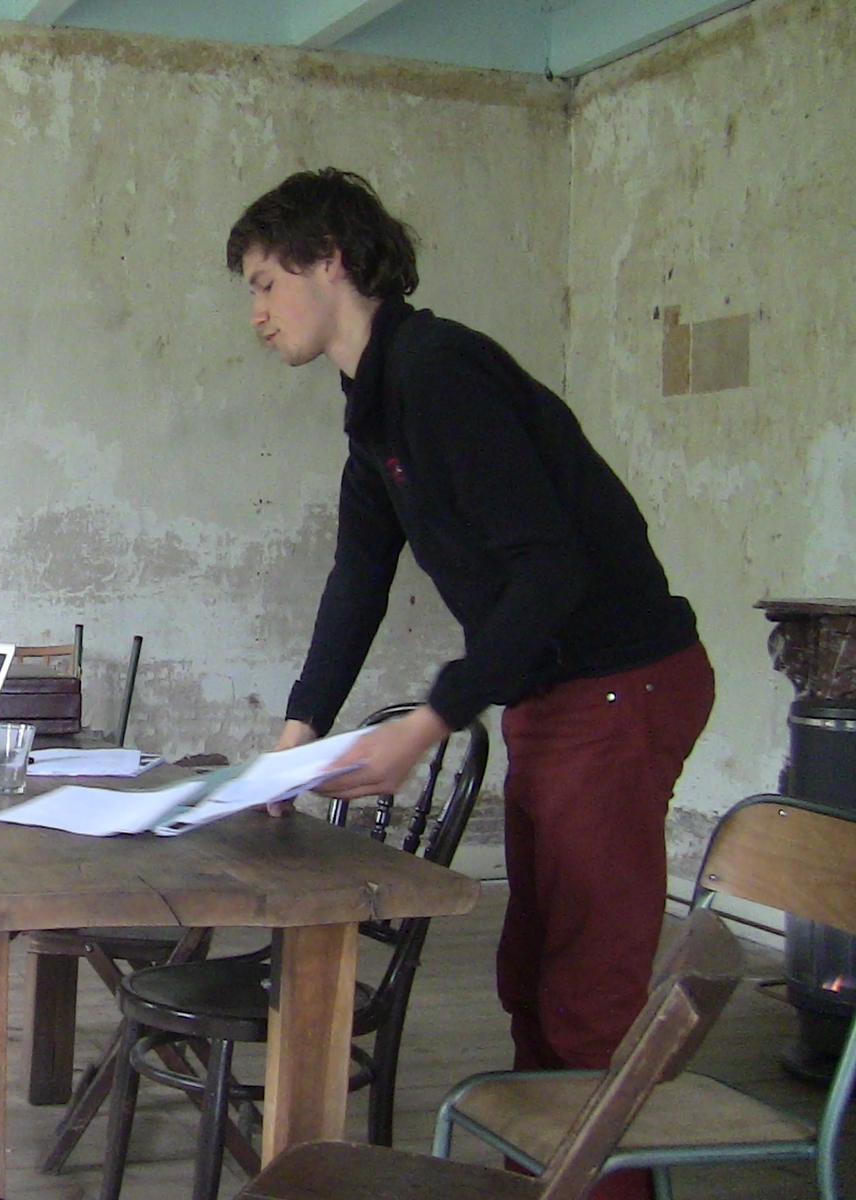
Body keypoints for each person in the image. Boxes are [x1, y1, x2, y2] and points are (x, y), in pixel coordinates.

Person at [228, 169, 713, 1200]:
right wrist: (300, 727)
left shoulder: (438, 371)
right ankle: (544, 1181)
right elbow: (357, 577)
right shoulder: (375, 406)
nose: (257, 313)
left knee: (586, 997)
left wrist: (431, 721)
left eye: (267, 283)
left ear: (331, 260)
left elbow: (550, 566)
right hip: (558, 694)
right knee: (531, 979)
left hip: (620, 685)